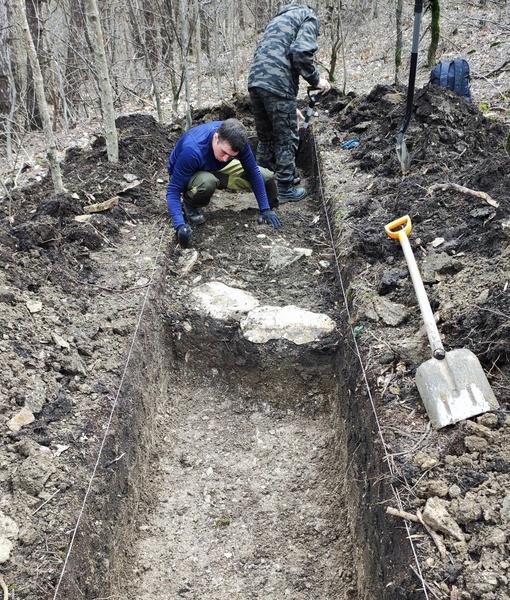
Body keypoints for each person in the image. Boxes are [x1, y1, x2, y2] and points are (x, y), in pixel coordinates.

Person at [248, 3, 331, 203]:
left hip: (255, 81)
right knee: (287, 138)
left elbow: (272, 56)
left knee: (266, 138)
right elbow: (300, 53)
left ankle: (261, 187)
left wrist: (289, 105)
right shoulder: (308, 17)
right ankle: (284, 188)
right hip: (278, 83)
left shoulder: (277, 20)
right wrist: (316, 80)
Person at [166, 118, 282, 248]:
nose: (226, 158)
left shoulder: (236, 140)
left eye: (232, 156)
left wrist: (265, 209)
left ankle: (272, 207)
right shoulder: (192, 150)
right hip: (190, 170)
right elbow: (173, 190)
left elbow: (253, 172)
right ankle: (191, 204)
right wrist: (180, 225)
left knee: (266, 176)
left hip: (215, 167)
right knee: (206, 182)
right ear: (216, 137)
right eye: (224, 152)